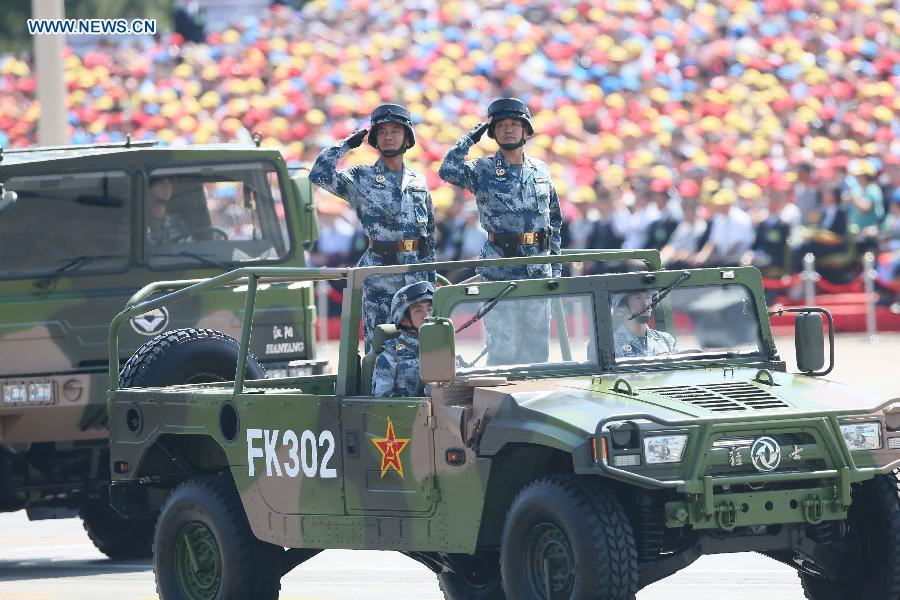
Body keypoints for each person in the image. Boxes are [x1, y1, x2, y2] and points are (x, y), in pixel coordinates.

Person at [438, 97, 562, 365]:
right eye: (502, 125)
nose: (508, 129)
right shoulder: (482, 169)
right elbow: (446, 170)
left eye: (515, 124)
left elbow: (555, 220)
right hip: (500, 265)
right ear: (493, 132)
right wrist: (470, 138)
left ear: (526, 130)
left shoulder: (541, 170)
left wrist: (556, 268)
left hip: (538, 267)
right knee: (504, 348)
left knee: (538, 349)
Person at [310, 103, 435, 352]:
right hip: (380, 273)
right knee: (380, 346)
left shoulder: (418, 180)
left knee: (422, 344)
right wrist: (347, 143)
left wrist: (431, 275)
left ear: (407, 137)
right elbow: (319, 174)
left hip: (416, 272)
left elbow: (429, 232)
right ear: (375, 139)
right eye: (382, 131)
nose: (389, 136)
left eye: (396, 131)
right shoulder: (361, 177)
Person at [372, 281, 434, 397]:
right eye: (418, 310)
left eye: (429, 308)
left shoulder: (443, 347)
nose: (427, 315)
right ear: (404, 319)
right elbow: (381, 402)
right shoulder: (391, 356)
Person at [612, 291, 677, 358]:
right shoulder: (612, 344)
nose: (645, 303)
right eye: (638, 298)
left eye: (648, 297)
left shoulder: (667, 340)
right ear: (623, 305)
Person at [146, 176, 191, 245]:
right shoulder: (141, 223)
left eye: (169, 183)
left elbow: (189, 244)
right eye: (161, 183)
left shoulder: (176, 221)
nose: (167, 187)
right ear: (149, 189)